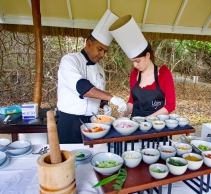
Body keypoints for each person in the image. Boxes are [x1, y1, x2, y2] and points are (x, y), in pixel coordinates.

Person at [57, 10, 127, 144]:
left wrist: (105, 104)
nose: (102, 55)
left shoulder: (100, 69)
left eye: (105, 51)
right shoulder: (70, 60)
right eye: (100, 49)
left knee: (91, 158)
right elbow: (83, 87)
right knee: (71, 159)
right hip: (70, 122)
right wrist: (112, 98)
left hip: (93, 121)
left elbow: (97, 93)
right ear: (89, 43)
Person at [109, 15, 176, 118]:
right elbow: (132, 100)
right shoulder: (133, 75)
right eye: (132, 62)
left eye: (138, 61)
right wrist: (125, 112)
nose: (135, 65)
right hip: (135, 123)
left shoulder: (164, 74)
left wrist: (148, 119)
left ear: (148, 55)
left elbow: (171, 105)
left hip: (156, 125)